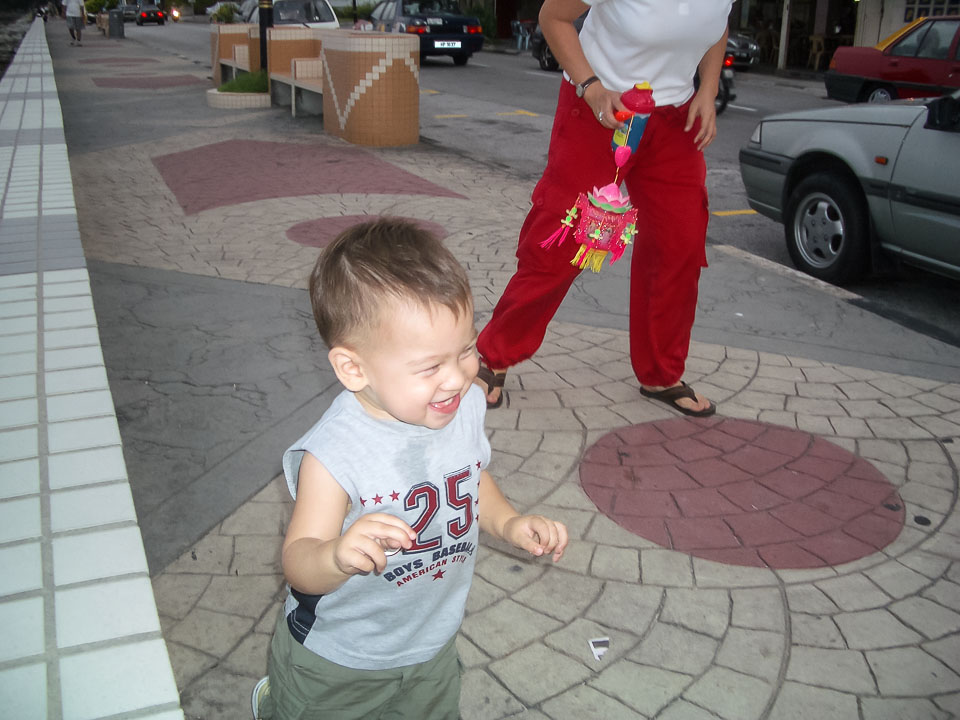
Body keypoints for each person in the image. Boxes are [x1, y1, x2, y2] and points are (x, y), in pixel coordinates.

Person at [252, 219, 569, 719]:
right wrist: (336, 555)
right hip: (338, 661)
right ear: (353, 368)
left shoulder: (464, 405)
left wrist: (508, 522)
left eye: (466, 350)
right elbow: (298, 562)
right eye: (430, 367)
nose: (457, 378)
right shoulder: (334, 452)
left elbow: (470, 477)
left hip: (431, 643)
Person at [475, 0, 732, 418]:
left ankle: (661, 373)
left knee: (679, 243)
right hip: (602, 106)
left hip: (675, 119)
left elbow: (715, 25)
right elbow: (552, 17)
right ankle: (495, 354)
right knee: (564, 236)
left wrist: (708, 88)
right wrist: (591, 87)